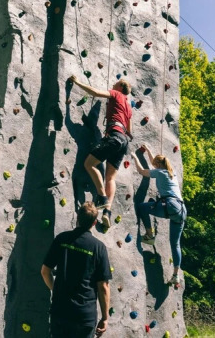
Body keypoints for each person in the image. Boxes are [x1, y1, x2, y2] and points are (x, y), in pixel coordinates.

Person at [68, 75, 132, 230]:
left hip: (114, 136)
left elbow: (96, 93)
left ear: (120, 87)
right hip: (124, 140)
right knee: (110, 178)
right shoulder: (128, 106)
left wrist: (77, 82)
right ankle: (107, 213)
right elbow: (129, 130)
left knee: (89, 164)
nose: (113, 84)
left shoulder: (116, 94)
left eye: (116, 83)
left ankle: (102, 198)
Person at [41, 202, 111, 337]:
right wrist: (105, 318)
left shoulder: (62, 239)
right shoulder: (99, 248)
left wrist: (56, 290)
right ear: (94, 223)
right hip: (84, 316)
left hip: (60, 311)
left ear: (77, 217)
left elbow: (45, 272)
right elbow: (103, 286)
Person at [131, 146, 187, 286]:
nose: (154, 166)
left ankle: (149, 235)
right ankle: (176, 275)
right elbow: (153, 163)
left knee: (142, 207)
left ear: (159, 165)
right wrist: (148, 150)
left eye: (155, 164)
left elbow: (142, 171)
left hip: (170, 206)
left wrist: (135, 157)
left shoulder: (160, 172)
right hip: (181, 210)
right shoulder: (171, 172)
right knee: (175, 244)